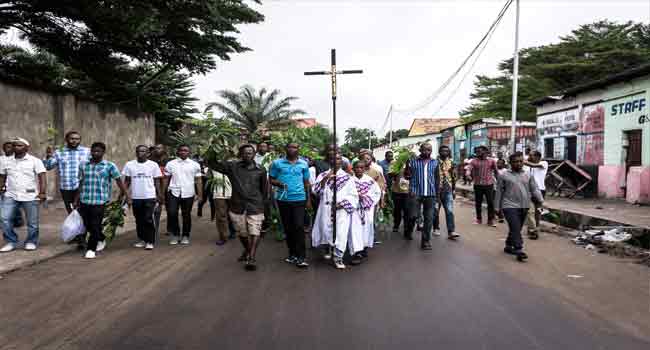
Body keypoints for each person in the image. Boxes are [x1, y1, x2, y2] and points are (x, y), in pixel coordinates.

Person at [208, 144, 268, 271]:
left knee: (255, 230)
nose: (248, 155)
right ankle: (247, 250)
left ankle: (251, 258)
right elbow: (212, 163)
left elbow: (264, 189)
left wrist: (263, 205)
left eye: (250, 153)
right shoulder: (232, 167)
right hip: (237, 205)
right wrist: (214, 148)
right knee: (242, 232)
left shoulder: (261, 169)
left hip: (255, 204)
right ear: (241, 154)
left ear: (254, 154)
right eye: (245, 153)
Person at [75, 142, 129, 259]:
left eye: (98, 151)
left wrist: (127, 197)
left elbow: (119, 182)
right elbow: (81, 183)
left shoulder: (109, 166)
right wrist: (76, 199)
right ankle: (101, 238)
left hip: (100, 201)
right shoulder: (83, 165)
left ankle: (91, 249)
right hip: (85, 200)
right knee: (87, 224)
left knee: (95, 224)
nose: (95, 153)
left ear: (103, 152)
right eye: (93, 151)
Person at [311, 154, 359, 269]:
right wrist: (326, 179)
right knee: (326, 231)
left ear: (341, 162)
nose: (335, 161)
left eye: (338, 159)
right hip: (326, 209)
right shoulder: (323, 175)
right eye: (333, 158)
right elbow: (316, 191)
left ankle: (338, 257)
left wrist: (341, 204)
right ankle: (328, 249)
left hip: (341, 210)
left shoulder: (348, 178)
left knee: (341, 233)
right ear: (329, 160)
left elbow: (354, 196)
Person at [495, 152, 544, 262]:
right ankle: (519, 249)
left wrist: (540, 200)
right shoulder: (503, 175)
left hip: (524, 205)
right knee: (516, 227)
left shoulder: (528, 175)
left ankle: (508, 245)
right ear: (510, 163)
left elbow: (534, 189)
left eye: (521, 161)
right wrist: (497, 207)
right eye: (515, 161)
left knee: (516, 228)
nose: (518, 163)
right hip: (509, 205)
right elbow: (499, 192)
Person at [269, 142, 312, 268]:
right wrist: (280, 184)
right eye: (290, 147)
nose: (293, 149)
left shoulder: (303, 164)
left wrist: (308, 200)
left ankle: (302, 256)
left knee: (299, 226)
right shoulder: (277, 163)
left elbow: (307, 182)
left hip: (299, 199)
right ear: (285, 149)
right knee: (288, 228)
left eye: (295, 147)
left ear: (299, 149)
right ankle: (292, 253)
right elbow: (271, 179)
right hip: (283, 199)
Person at [0, 138, 47, 252]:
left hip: (30, 195)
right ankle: (11, 241)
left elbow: (42, 177)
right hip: (11, 194)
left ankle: (31, 241)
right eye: (15, 145)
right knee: (4, 218)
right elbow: (2, 176)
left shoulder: (35, 161)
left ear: (27, 147)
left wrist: (42, 192)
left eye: (20, 146)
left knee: (32, 222)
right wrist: (1, 187)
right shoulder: (6, 161)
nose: (16, 147)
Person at [123, 145, 164, 250]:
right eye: (138, 151)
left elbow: (157, 181)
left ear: (148, 153)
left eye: (143, 151)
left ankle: (150, 241)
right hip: (136, 197)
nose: (140, 153)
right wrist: (122, 195)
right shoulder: (129, 164)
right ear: (136, 153)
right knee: (139, 219)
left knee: (148, 219)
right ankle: (141, 239)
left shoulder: (153, 165)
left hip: (149, 196)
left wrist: (159, 195)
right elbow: (127, 181)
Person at [43, 131, 90, 214]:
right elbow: (48, 167)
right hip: (66, 187)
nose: (74, 141)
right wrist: (48, 156)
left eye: (77, 139)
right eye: (72, 139)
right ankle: (75, 227)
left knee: (83, 212)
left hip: (82, 187)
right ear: (66, 139)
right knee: (71, 213)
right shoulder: (59, 152)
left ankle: (85, 226)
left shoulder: (87, 151)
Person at [164, 144, 203, 245]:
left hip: (188, 193)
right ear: (178, 151)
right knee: (172, 213)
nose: (183, 152)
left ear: (189, 152)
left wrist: (200, 195)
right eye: (181, 150)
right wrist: (164, 193)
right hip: (173, 192)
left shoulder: (195, 165)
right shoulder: (171, 164)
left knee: (186, 215)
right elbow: (166, 179)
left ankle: (185, 235)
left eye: (186, 151)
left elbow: (198, 180)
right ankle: (175, 235)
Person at [404, 143, 439, 250]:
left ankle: (426, 241)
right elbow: (407, 175)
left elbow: (437, 179)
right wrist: (407, 171)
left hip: (430, 194)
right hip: (415, 193)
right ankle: (408, 230)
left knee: (429, 218)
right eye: (424, 150)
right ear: (420, 150)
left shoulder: (435, 162)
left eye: (429, 150)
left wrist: (437, 195)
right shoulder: (412, 161)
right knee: (413, 216)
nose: (427, 152)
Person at [352, 160, 382, 263]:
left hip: (367, 209)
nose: (359, 169)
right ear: (353, 169)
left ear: (364, 169)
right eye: (357, 167)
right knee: (355, 230)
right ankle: (357, 252)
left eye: (361, 168)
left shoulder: (370, 181)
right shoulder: (350, 181)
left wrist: (365, 199)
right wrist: (356, 197)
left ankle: (364, 247)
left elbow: (377, 193)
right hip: (355, 210)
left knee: (366, 229)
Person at [468, 145, 498, 227]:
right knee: (478, 203)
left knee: (490, 202)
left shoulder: (491, 161)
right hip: (478, 185)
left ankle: (490, 220)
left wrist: (499, 182)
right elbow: (469, 169)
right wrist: (468, 174)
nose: (477, 153)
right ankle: (479, 219)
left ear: (485, 151)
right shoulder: (474, 161)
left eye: (479, 151)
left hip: (489, 184)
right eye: (476, 151)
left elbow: (496, 171)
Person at [434, 145, 459, 239]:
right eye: (443, 151)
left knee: (449, 211)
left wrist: (454, 190)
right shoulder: (434, 162)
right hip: (436, 190)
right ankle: (436, 227)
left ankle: (451, 231)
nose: (445, 153)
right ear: (439, 152)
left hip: (447, 189)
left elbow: (454, 177)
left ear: (449, 152)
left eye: (447, 151)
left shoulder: (452, 163)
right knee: (435, 210)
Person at [523, 150, 548, 240]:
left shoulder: (544, 163)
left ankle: (536, 227)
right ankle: (532, 229)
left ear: (537, 157)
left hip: (540, 190)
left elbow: (532, 165)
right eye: (529, 155)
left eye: (531, 155)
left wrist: (524, 161)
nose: (529, 157)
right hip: (529, 190)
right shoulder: (527, 166)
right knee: (529, 211)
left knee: (538, 211)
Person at [1, 141, 25, 228]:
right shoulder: (1, 159)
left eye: (10, 147)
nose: (9, 149)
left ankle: (18, 220)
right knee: (4, 205)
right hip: (3, 185)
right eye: (6, 147)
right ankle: (5, 222)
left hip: (13, 185)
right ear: (3, 149)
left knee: (16, 206)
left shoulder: (16, 159)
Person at [389, 161, 414, 239]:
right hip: (397, 191)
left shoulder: (413, 163)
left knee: (407, 211)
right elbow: (390, 175)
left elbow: (412, 176)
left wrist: (408, 166)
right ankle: (396, 224)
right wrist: (396, 169)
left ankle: (407, 230)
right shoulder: (394, 162)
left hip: (408, 192)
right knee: (397, 210)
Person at [149, 144, 168, 238]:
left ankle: (155, 230)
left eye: (159, 148)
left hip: (162, 188)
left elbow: (165, 178)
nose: (157, 150)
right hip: (150, 187)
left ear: (163, 149)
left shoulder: (167, 160)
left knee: (158, 209)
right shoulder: (149, 160)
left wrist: (162, 192)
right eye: (156, 148)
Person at [210, 166, 232, 246]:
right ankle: (223, 236)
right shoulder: (212, 164)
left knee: (234, 214)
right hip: (218, 193)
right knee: (221, 215)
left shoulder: (235, 162)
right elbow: (208, 177)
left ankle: (233, 232)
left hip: (234, 193)